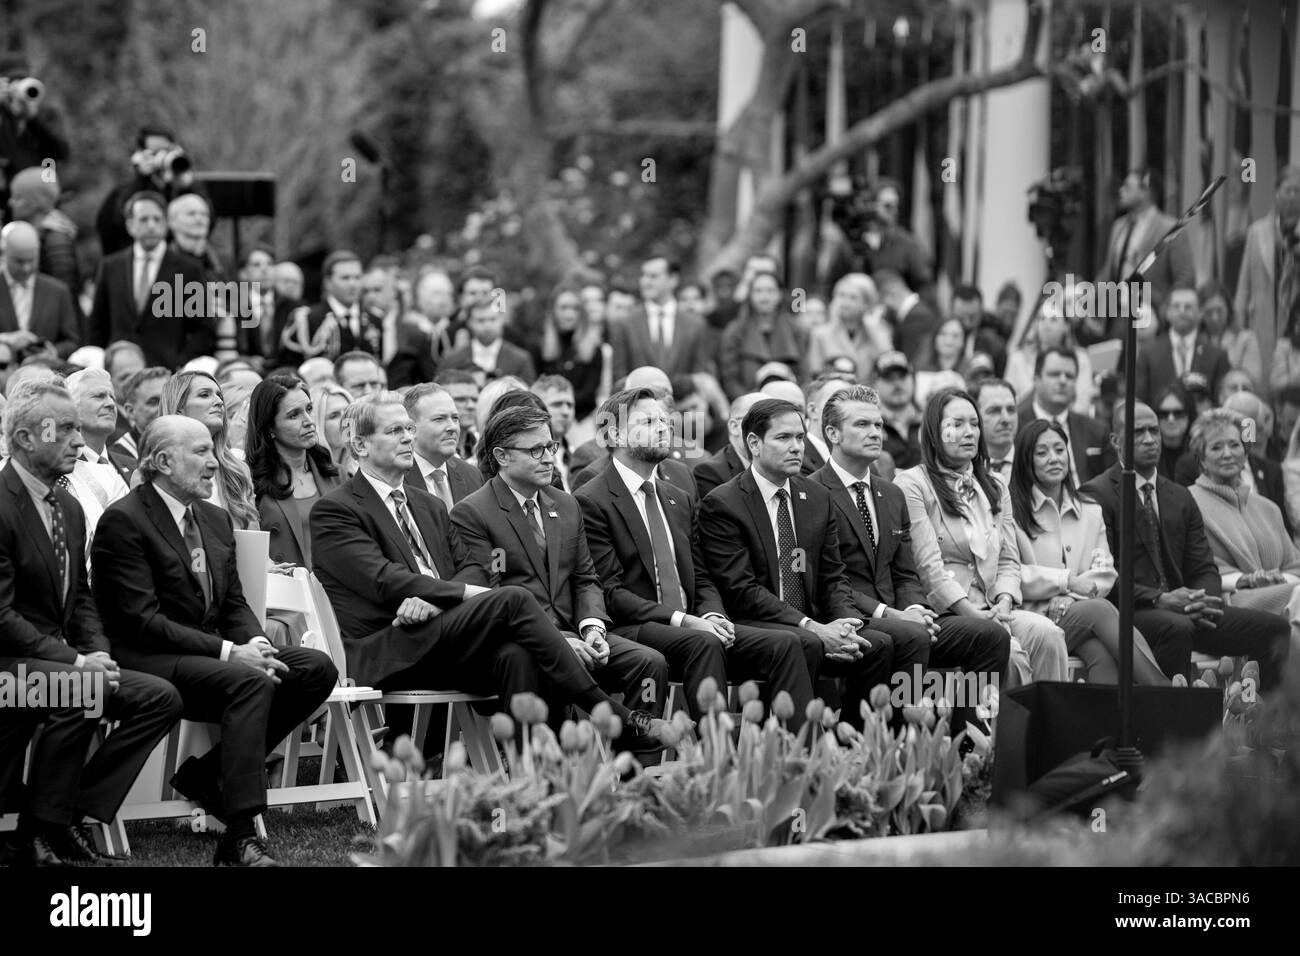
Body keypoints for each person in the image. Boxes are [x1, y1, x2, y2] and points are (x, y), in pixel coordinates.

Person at [309, 393, 673, 745]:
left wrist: (438, 600)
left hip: (445, 635)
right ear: (359, 445)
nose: (407, 437)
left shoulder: (428, 505)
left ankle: (531, 778)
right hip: (389, 646)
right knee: (512, 598)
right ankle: (610, 714)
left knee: (519, 655)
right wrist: (453, 595)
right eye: (394, 431)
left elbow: (473, 569)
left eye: (408, 428)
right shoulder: (335, 510)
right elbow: (383, 580)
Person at [91, 415, 336, 866]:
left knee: (313, 668)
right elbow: (141, 622)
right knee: (250, 682)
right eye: (201, 452)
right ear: (163, 461)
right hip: (148, 658)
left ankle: (208, 777)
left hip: (210, 654)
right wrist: (230, 651)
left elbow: (233, 604)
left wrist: (258, 644)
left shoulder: (215, 518)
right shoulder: (123, 521)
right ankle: (240, 835)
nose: (213, 463)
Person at [0, 381, 181, 867]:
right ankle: (37, 833)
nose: (80, 442)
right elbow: (1, 618)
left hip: (57, 663)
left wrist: (96, 651)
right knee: (80, 688)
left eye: (79, 429)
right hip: (7, 673)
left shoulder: (69, 507)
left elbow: (80, 597)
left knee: (157, 696)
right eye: (65, 429)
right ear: (24, 439)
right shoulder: (1, 506)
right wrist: (78, 662)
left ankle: (66, 815)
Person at [576, 388, 814, 725]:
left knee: (788, 643)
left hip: (694, 623)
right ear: (613, 434)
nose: (663, 428)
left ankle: (800, 754)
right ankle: (714, 759)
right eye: (647, 421)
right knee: (703, 642)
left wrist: (713, 613)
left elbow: (701, 575)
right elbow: (611, 594)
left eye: (664, 420)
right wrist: (686, 620)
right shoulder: (592, 498)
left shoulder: (678, 496)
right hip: (636, 626)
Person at [450, 405, 671, 740]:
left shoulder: (566, 505)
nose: (548, 458)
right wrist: (560, 641)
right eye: (535, 450)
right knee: (528, 661)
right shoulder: (474, 513)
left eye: (550, 447)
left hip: (578, 632)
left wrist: (592, 627)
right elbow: (493, 595)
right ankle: (540, 770)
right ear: (502, 456)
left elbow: (586, 578)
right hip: (522, 640)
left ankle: (636, 776)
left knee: (648, 662)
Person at [811, 385, 1010, 720]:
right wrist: (893, 615)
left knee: (990, 636)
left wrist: (916, 608)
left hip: (902, 617)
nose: (875, 433)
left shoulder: (891, 493)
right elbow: (828, 580)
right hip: (847, 617)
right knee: (910, 635)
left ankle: (969, 736)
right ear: (832, 433)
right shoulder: (813, 492)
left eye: (878, 425)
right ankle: (900, 735)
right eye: (862, 425)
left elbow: (905, 572)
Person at [697, 398, 896, 729]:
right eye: (783, 438)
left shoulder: (816, 497)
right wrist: (813, 627)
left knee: (877, 644)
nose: (796, 447)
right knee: (800, 642)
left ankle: (855, 747)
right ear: (754, 443)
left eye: (800, 438)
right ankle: (804, 756)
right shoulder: (723, 504)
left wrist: (847, 624)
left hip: (808, 621)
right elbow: (742, 591)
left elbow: (833, 577)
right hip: (753, 622)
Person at [1081, 403, 1291, 688]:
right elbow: (1103, 575)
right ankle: (1169, 726)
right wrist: (1160, 599)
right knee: (1175, 628)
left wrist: (1204, 601)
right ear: (1116, 440)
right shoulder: (1098, 493)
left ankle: (1260, 724)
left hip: (1190, 610)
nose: (1149, 438)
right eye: (1137, 431)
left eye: (1153, 430)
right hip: (1133, 609)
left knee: (1274, 630)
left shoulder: (1178, 495)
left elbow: (1204, 566)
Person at [893, 387, 1069, 686]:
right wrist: (972, 613)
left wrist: (1003, 602)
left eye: (974, 424)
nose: (969, 432)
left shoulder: (996, 485)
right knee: (1009, 653)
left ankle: (1049, 728)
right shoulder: (913, 484)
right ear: (935, 431)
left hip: (995, 607)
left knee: (1049, 634)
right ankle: (1001, 732)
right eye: (957, 424)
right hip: (947, 614)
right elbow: (928, 567)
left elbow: (1009, 560)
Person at [1009, 419, 1167, 684]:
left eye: (1059, 450)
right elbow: (1012, 574)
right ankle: (1161, 689)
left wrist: (1071, 598)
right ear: (1026, 460)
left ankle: (1102, 725)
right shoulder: (1011, 513)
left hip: (1079, 614)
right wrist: (1066, 583)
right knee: (1101, 610)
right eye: (1042, 452)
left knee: (1101, 654)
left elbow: (1104, 572)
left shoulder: (1090, 511)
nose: (1053, 458)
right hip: (1034, 618)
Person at [1186, 409, 1300, 646]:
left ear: (1246, 451)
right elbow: (1195, 567)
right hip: (1231, 602)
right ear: (1201, 458)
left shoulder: (1268, 507)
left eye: (1234, 445)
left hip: (1283, 593)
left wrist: (1276, 577)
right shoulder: (1187, 502)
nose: (1227, 454)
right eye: (1216, 447)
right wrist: (1245, 580)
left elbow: (1295, 565)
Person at [88, 191, 214, 368]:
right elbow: (97, 323)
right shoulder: (111, 266)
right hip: (120, 371)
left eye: (157, 219)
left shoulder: (189, 269)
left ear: (166, 223)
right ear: (130, 225)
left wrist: (180, 363)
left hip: (166, 370)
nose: (151, 226)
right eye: (144, 219)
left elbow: (203, 327)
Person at [247, 376, 342, 567]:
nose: (308, 421)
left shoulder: (335, 474)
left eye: (308, 409)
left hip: (339, 590)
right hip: (285, 590)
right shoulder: (250, 481)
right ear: (270, 428)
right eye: (293, 415)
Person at [159, 370, 259, 531]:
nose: (219, 401)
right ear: (179, 408)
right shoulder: (156, 471)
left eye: (219, 395)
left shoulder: (238, 470)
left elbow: (254, 541)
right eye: (205, 395)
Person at [1098, 168, 1195, 322]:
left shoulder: (1170, 229)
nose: (1121, 191)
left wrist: (1166, 313)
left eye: (1128, 187)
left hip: (1152, 318)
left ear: (1146, 192)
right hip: (1116, 316)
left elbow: (1185, 279)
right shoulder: (1118, 226)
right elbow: (1108, 271)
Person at [1015, 347, 1112, 486]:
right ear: (1036, 379)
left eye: (1069, 376)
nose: (1062, 381)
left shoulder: (1097, 431)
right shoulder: (1016, 427)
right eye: (1054, 374)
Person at [1235, 165, 1300, 372]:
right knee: (1259, 377)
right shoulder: (1257, 231)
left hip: (1294, 320)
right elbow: (1244, 284)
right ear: (1277, 192)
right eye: (1288, 189)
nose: (1292, 196)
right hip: (1261, 318)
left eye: (1298, 191)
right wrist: (1240, 324)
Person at [608, 256, 712, 383]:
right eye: (643, 275)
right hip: (636, 401)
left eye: (653, 276)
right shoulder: (625, 324)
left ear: (673, 279)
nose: (645, 281)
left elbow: (700, 378)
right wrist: (627, 404)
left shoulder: (696, 325)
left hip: (682, 401)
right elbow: (619, 380)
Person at [1135, 285, 1231, 407]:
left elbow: (1220, 401)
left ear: (1200, 313)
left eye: (1188, 306)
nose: (1182, 311)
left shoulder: (1217, 355)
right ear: (1167, 312)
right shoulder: (1148, 354)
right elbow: (1139, 402)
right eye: (1176, 306)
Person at [718, 271, 807, 399]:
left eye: (770, 291)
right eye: (758, 291)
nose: (764, 297)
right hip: (749, 403)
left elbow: (804, 374)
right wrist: (750, 403)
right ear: (750, 295)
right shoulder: (734, 331)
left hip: (789, 401)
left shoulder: (796, 329)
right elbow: (730, 379)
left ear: (780, 294)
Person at [0, 220, 79, 361]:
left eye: (31, 260)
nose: (26, 268)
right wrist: (6, 339)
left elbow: (73, 341)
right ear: (4, 253)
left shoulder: (57, 291)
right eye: (19, 261)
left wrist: (52, 351)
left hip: (44, 375)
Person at [65, 369, 132, 534]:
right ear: (72, 407)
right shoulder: (58, 468)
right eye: (99, 396)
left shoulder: (133, 466)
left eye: (112, 397)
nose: (110, 404)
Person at [281, 251, 375, 365]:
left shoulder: (374, 319)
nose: (352, 284)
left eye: (357, 277)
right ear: (328, 282)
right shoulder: (308, 320)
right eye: (345, 278)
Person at [1004, 299, 1095, 416]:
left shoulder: (1080, 359)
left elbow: (1082, 406)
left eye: (1053, 319)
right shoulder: (1018, 358)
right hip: (1026, 424)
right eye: (1041, 319)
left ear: (1066, 326)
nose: (1046, 324)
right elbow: (1008, 403)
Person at [402, 382, 482, 506]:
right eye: (439, 419)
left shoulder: (472, 475)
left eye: (455, 418)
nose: (452, 427)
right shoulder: (396, 477)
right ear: (411, 428)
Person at [533, 285, 604, 420]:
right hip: (547, 419)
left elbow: (589, 392)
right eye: (563, 308)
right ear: (553, 311)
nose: (569, 314)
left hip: (582, 420)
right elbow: (536, 388)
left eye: (575, 308)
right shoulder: (539, 348)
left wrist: (560, 402)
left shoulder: (594, 349)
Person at [5, 166, 79, 294]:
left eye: (17, 198)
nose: (10, 202)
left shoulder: (56, 240)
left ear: (34, 202)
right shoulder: (40, 233)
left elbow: (63, 291)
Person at [805, 273, 893, 381]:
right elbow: (815, 373)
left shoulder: (878, 331)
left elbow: (889, 364)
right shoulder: (820, 333)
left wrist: (873, 329)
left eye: (853, 298)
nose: (845, 303)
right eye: (841, 295)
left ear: (866, 304)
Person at [439, 301, 536, 388]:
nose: (487, 325)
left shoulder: (520, 359)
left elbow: (528, 398)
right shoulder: (452, 360)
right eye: (481, 320)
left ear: (502, 320)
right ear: (469, 323)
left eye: (492, 319)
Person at [387, 270, 456, 389]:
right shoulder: (410, 331)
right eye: (436, 293)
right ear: (421, 297)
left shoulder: (454, 330)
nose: (443, 300)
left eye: (448, 293)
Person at [693, 391, 764, 498]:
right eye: (760, 421)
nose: (770, 430)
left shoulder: (786, 465)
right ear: (734, 427)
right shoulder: (710, 473)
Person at [1197, 280, 1261, 391]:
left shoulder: (1246, 339)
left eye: (1219, 311)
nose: (1215, 318)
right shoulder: (1194, 340)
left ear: (1229, 309)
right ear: (1200, 314)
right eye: (1208, 312)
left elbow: (1252, 380)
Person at [872, 350, 923, 476]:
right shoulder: (871, 425)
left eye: (902, 376)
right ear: (876, 383)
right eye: (889, 378)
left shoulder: (929, 420)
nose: (897, 384)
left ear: (913, 379)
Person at [111, 366, 169, 464]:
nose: (165, 407)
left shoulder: (194, 444)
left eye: (169, 399)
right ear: (130, 411)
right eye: (154, 401)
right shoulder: (117, 457)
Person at [913, 318, 970, 410]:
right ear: (935, 338)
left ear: (963, 341)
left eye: (955, 336)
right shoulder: (921, 368)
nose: (949, 340)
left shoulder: (971, 369)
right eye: (943, 334)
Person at [801, 375, 851, 476]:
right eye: (839, 402)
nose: (849, 411)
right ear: (813, 410)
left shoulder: (863, 461)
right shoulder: (797, 459)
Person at [973, 378, 1018, 485]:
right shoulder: (963, 468)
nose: (1006, 419)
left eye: (1011, 409)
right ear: (974, 416)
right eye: (994, 411)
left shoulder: (1033, 463)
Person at [1151, 381, 1195, 480]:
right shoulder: (1147, 454)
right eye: (1164, 413)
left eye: (1178, 413)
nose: (1171, 419)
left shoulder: (1202, 454)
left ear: (1189, 414)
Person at [310, 382, 356, 477]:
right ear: (317, 424)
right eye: (334, 415)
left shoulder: (365, 465)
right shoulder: (310, 472)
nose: (346, 420)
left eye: (349, 411)